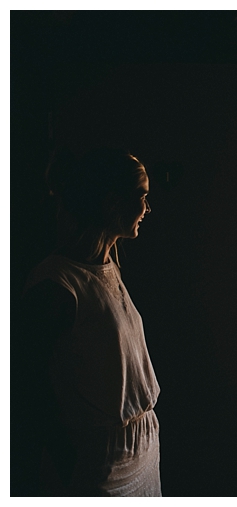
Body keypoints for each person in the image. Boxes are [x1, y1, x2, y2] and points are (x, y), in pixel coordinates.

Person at [14, 148, 161, 496]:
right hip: (101, 461)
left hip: (143, 448)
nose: (147, 209)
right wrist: (69, 462)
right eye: (142, 196)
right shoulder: (56, 285)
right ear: (112, 204)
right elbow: (28, 387)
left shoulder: (109, 266)